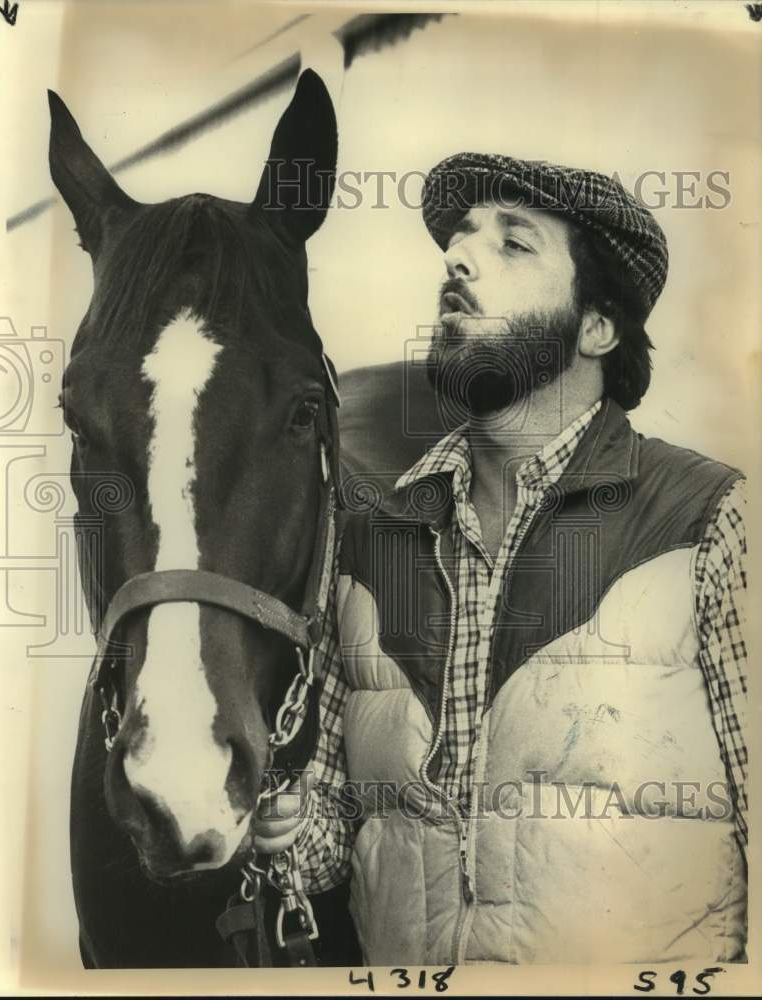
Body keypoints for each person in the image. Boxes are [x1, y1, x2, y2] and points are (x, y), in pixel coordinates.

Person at [252, 153, 748, 965]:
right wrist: (291, 828)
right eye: (458, 239)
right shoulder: (369, 540)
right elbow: (332, 845)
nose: (457, 256)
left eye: (513, 244)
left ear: (596, 328)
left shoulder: (707, 517)